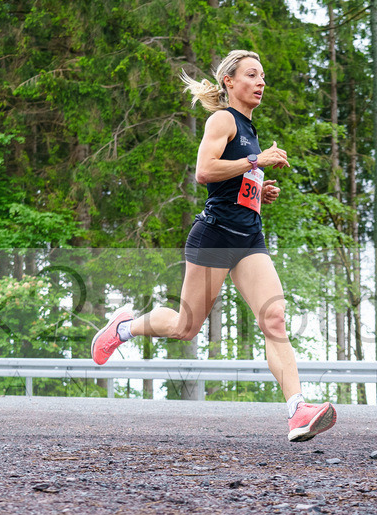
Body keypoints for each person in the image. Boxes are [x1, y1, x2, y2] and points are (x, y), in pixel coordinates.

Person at [91, 49, 336, 443]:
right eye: (252, 75)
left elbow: (233, 178)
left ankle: (297, 411)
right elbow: (204, 171)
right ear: (229, 82)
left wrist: (258, 188)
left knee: (274, 319)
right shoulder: (222, 119)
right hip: (216, 235)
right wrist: (256, 160)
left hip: (249, 238)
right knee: (186, 327)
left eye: (262, 76)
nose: (260, 83)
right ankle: (124, 328)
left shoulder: (251, 130)